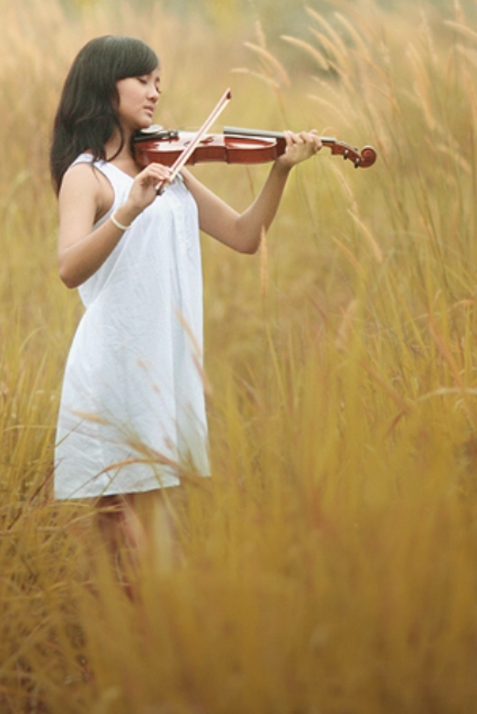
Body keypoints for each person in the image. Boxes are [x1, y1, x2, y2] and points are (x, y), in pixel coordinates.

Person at [48, 35, 321, 555]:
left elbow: (244, 236)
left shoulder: (172, 169)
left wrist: (280, 169)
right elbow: (68, 267)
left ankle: (154, 626)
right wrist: (129, 208)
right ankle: (130, 627)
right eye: (142, 80)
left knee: (156, 526)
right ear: (106, 87)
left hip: (163, 361)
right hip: (114, 361)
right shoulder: (87, 177)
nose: (155, 92)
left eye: (158, 82)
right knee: (120, 526)